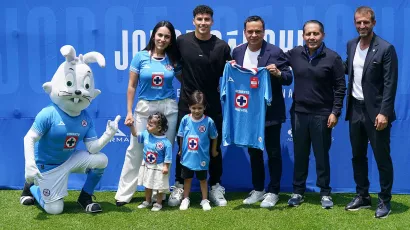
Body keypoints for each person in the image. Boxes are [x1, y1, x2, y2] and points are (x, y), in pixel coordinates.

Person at [19, 45, 120, 214]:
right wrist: (30, 164)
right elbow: (29, 138)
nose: (79, 91)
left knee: (101, 160)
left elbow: (92, 148)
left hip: (69, 159)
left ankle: (85, 197)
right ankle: (31, 188)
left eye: (86, 85)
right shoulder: (49, 113)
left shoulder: (85, 117)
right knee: (55, 210)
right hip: (48, 165)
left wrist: (108, 134)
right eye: (70, 83)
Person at [168, 5, 231, 207]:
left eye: (207, 19)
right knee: (183, 146)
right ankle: (179, 185)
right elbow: (174, 66)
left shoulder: (221, 47)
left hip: (212, 107)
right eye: (199, 19)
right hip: (187, 105)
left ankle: (215, 186)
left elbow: (231, 75)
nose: (203, 23)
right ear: (193, 21)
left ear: (212, 22)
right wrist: (186, 85)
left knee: (214, 146)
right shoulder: (182, 42)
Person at [115, 21, 180, 206]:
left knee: (163, 151)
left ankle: (159, 194)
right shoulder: (140, 57)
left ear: (170, 40)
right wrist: (129, 112)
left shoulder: (172, 59)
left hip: (168, 109)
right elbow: (131, 86)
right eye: (160, 35)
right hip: (144, 108)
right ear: (153, 36)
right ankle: (124, 194)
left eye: (167, 36)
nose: (162, 39)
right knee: (135, 150)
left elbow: (187, 79)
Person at [231, 15, 292, 208]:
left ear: (263, 32)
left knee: (273, 153)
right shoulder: (237, 52)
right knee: (254, 153)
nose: (254, 34)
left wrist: (278, 73)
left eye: (258, 31)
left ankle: (273, 191)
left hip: (270, 112)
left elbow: (288, 77)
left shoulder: (275, 52)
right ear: (245, 32)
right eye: (250, 31)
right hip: (247, 113)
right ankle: (258, 189)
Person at [344, 6, 398, 219]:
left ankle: (385, 199)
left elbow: (390, 84)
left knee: (381, 157)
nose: (362, 26)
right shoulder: (351, 45)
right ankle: (363, 196)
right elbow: (347, 68)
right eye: (358, 22)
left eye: (366, 22)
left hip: (377, 113)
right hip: (355, 109)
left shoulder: (385, 48)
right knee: (357, 156)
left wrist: (384, 113)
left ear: (373, 23)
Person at [286, 20, 346, 209]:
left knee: (321, 156)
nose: (312, 37)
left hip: (322, 114)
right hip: (299, 113)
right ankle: (298, 192)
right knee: (300, 155)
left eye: (316, 34)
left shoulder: (333, 58)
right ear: (303, 36)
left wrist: (335, 112)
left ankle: (325, 193)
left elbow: (340, 87)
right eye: (308, 34)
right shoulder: (295, 54)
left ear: (323, 35)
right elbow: (273, 59)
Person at [177, 91, 218, 211]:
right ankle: (185, 199)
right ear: (189, 107)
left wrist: (214, 150)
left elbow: (214, 137)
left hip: (202, 157)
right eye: (193, 108)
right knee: (187, 179)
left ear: (204, 107)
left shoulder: (208, 121)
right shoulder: (185, 119)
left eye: (199, 108)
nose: (196, 111)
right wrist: (180, 150)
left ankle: (205, 200)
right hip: (188, 156)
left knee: (203, 180)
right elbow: (181, 136)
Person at [127, 112, 172, 212]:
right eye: (148, 123)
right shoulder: (146, 134)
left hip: (159, 167)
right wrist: (131, 126)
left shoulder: (166, 143)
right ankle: (147, 201)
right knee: (147, 184)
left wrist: (166, 167)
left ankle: (158, 203)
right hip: (147, 165)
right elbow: (135, 134)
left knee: (159, 186)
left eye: (150, 125)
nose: (147, 126)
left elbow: (168, 157)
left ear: (159, 128)